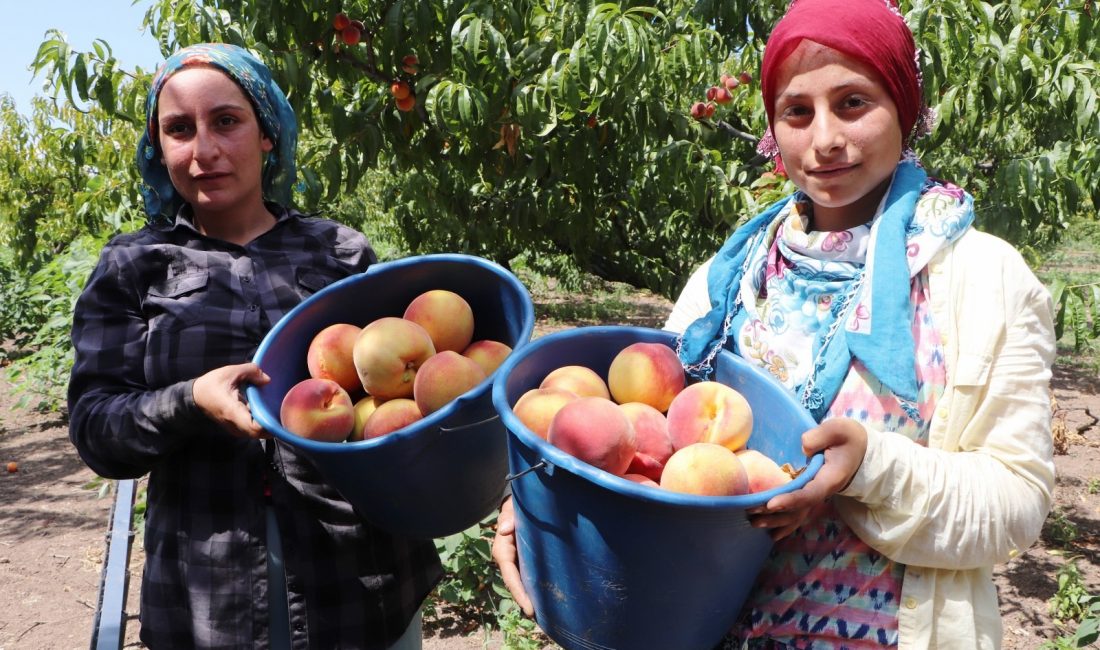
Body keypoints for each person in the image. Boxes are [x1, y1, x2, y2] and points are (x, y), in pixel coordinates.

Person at [492, 0, 1056, 647]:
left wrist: (871, 469)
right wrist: (544, 505)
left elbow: (1017, 502)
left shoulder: (984, 278)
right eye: (797, 111)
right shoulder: (730, 276)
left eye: (853, 103)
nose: (823, 140)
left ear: (904, 109)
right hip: (707, 622)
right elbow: (644, 437)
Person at [67, 43, 441, 649]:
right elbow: (94, 426)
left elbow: (407, 401)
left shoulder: (340, 255)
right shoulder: (133, 265)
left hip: (360, 585)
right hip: (210, 592)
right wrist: (188, 400)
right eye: (179, 130)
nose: (204, 150)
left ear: (267, 134)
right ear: (160, 148)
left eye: (226, 121)